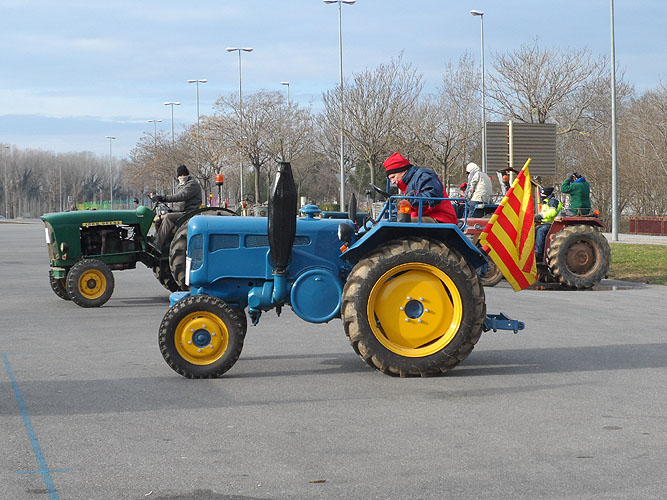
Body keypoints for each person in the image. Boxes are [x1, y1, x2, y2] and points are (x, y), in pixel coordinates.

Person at [384, 152, 457, 224]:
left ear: (403, 170)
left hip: (440, 218)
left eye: (393, 177)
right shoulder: (408, 185)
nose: (392, 181)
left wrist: (408, 199)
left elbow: (433, 196)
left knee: (400, 225)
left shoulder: (423, 176)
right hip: (423, 217)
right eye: (390, 179)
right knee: (390, 223)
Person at [150, 165, 202, 251]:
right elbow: (178, 202)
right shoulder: (180, 185)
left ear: (185, 174)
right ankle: (162, 244)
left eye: (181, 175)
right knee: (158, 221)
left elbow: (181, 196)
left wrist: (163, 198)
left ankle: (157, 245)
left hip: (189, 213)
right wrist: (171, 209)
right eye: (179, 176)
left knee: (168, 217)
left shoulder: (192, 185)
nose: (180, 177)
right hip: (180, 211)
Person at [534, 186, 563, 261]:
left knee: (541, 231)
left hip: (552, 223)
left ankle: (538, 252)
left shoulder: (553, 201)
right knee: (534, 230)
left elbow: (553, 212)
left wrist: (541, 216)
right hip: (545, 223)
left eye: (542, 194)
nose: (541, 195)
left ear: (546, 194)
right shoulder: (546, 202)